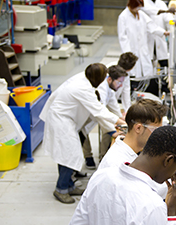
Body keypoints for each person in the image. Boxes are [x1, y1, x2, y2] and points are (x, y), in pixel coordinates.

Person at [97, 98, 176, 211]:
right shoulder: (116, 163)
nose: (158, 136)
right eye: (155, 130)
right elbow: (135, 211)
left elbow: (143, 187)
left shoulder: (132, 154)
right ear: (138, 128)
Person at [40, 63, 125, 204]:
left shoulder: (86, 80)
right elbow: (99, 112)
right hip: (61, 119)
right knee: (69, 155)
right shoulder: (83, 88)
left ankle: (69, 186)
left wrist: (118, 121)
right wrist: (119, 124)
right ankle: (60, 189)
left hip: (67, 119)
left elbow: (107, 106)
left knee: (67, 154)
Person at [82, 65, 129, 169]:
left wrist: (122, 119)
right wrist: (114, 130)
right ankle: (88, 158)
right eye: (119, 82)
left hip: (93, 115)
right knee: (82, 135)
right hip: (84, 116)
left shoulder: (109, 88)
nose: (121, 86)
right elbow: (101, 115)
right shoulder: (101, 89)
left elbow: (114, 106)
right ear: (109, 79)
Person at [117, 0, 169, 79]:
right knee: (133, 74)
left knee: (146, 73)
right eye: (137, 7)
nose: (138, 9)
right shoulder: (123, 17)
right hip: (132, 50)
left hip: (143, 50)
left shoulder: (141, 14)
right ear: (132, 5)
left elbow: (151, 25)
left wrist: (163, 32)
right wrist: (128, 54)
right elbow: (123, 38)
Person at [142, 0, 176, 69]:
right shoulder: (142, 2)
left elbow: (167, 17)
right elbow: (151, 11)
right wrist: (167, 10)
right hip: (147, 36)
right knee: (148, 62)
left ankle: (164, 81)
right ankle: (150, 82)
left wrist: (172, 22)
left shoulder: (161, 3)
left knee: (163, 61)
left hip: (160, 36)